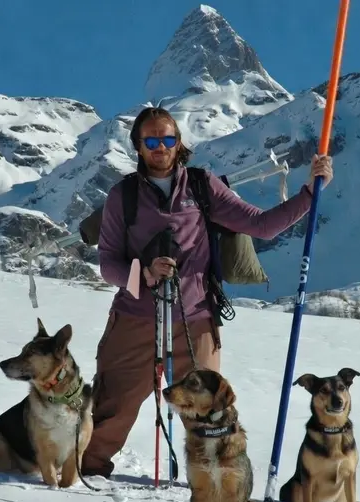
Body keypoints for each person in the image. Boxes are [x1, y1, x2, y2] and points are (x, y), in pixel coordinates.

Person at [80, 106, 333, 478]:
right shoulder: (123, 196)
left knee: (210, 411)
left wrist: (311, 193)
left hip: (194, 319)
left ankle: (221, 481)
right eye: (151, 140)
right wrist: (145, 273)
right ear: (138, 145)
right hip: (134, 319)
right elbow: (109, 265)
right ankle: (86, 472)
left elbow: (261, 226)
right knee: (112, 407)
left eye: (168, 139)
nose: (160, 147)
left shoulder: (201, 186)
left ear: (179, 143)